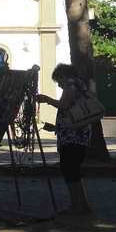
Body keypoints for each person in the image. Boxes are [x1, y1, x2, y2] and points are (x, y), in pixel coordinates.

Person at [37, 64, 91, 215]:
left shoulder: (71, 85)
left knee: (70, 171)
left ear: (63, 75)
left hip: (72, 137)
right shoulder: (80, 85)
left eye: (58, 81)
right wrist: (56, 128)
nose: (59, 85)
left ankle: (76, 206)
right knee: (75, 171)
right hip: (77, 134)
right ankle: (83, 205)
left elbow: (64, 105)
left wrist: (46, 99)